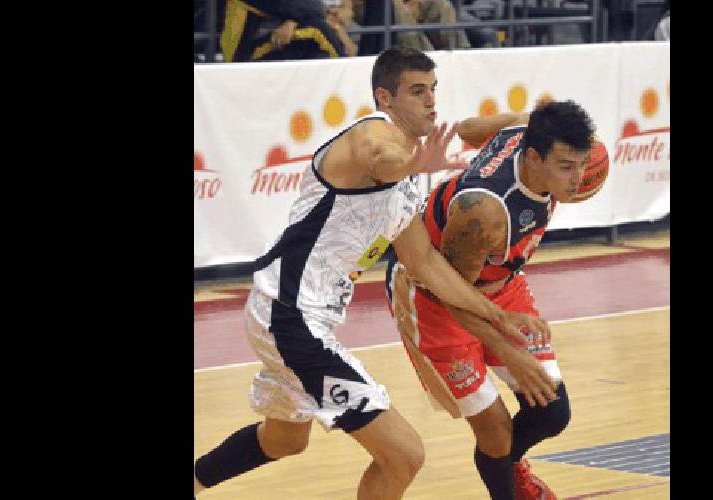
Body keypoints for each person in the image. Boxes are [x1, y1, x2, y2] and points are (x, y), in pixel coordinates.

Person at [194, 47, 553, 499]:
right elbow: (381, 159)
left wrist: (498, 317)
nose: (430, 101)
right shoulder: (371, 135)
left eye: (434, 90)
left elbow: (426, 266)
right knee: (405, 455)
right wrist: (413, 164)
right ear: (385, 97)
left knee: (284, 439)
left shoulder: (405, 179)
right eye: (417, 91)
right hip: (289, 314)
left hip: (299, 316)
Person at [385, 101, 598, 500]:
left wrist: (486, 134)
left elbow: (466, 129)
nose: (577, 179)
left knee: (552, 411)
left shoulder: (524, 127)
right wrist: (505, 347)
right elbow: (451, 293)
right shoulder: (483, 211)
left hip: (499, 280)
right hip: (435, 296)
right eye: (567, 167)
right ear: (533, 157)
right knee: (496, 433)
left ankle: (508, 466)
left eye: (582, 164)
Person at [219, 0, 350, 62]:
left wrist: (293, 21)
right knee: (317, 29)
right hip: (243, 58)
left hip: (272, 43)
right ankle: (348, 77)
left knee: (318, 48)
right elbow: (315, 8)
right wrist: (294, 20)